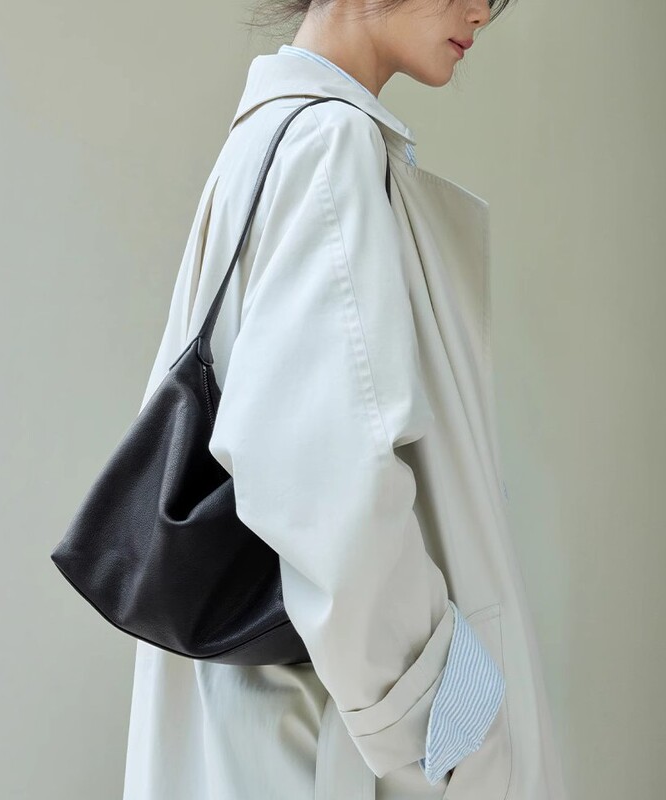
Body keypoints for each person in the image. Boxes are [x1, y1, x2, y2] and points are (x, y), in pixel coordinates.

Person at [122, 2, 569, 798]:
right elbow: (328, 493)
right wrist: (453, 729)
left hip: (284, 724)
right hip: (325, 747)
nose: (482, 11)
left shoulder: (276, 139)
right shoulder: (326, 146)